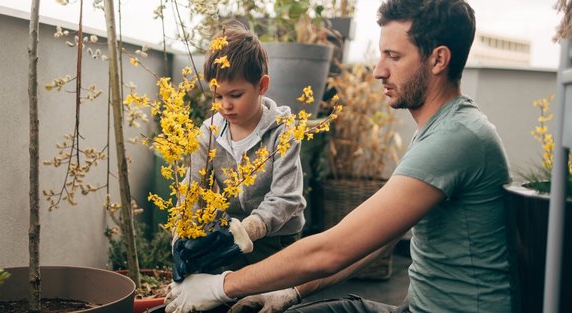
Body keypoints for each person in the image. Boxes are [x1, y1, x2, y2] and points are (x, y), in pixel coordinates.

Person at [165, 0, 518, 312]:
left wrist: (218, 287)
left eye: (393, 56)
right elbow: (377, 243)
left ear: (438, 59)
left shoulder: (456, 138)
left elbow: (330, 250)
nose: (379, 70)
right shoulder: (439, 130)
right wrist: (290, 292)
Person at [171, 25, 307, 282]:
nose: (225, 105)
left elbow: (286, 197)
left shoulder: (283, 132)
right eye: (217, 95)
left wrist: (247, 230)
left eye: (235, 95)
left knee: (265, 293)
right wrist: (182, 234)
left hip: (276, 238)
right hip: (230, 235)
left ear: (262, 85)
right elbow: (192, 188)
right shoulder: (210, 131)